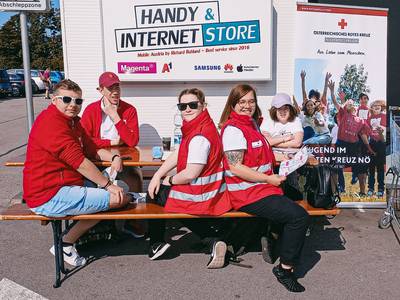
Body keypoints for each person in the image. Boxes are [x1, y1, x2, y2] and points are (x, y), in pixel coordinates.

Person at [23, 79, 130, 267]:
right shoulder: (51, 123)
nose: (73, 105)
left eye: (78, 101)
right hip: (48, 194)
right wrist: (108, 185)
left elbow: (91, 149)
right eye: (67, 100)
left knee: (121, 187)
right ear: (53, 100)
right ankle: (65, 243)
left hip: (66, 185)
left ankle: (72, 239)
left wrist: (113, 157)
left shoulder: (72, 122)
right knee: (119, 198)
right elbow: (79, 162)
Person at [219, 84, 309, 293]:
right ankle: (284, 270)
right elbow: (236, 166)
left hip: (261, 187)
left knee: (297, 197)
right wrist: (268, 180)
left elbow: (260, 154)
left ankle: (271, 236)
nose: (247, 105)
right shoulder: (233, 129)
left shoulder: (251, 124)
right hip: (247, 193)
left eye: (251, 101)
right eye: (242, 102)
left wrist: (286, 158)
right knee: (299, 217)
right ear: (233, 104)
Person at [147, 88, 232, 267]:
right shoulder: (200, 126)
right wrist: (158, 174)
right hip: (211, 190)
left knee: (154, 194)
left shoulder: (199, 135)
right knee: (166, 192)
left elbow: (190, 173)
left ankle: (155, 244)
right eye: (182, 105)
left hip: (203, 194)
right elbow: (180, 153)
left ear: (203, 105)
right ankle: (212, 240)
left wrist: (167, 180)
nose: (187, 109)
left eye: (193, 105)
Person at [80, 71, 142, 193]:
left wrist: (115, 116)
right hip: (96, 158)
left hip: (123, 160)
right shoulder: (91, 110)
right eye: (110, 88)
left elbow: (132, 141)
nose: (115, 91)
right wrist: (112, 142)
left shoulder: (129, 109)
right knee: (89, 186)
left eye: (117, 86)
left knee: (136, 179)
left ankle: (135, 208)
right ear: (101, 90)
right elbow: (85, 141)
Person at [330, 81, 374, 197]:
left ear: (355, 108)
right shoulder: (343, 114)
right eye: (348, 103)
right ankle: (334, 192)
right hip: (341, 145)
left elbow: (367, 133)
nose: (351, 104)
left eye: (352, 103)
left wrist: (369, 145)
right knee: (335, 167)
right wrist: (331, 90)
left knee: (360, 168)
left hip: (354, 146)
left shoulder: (360, 120)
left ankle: (363, 192)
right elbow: (335, 102)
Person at [367, 100, 386, 197]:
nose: (377, 106)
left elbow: (385, 131)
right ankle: (370, 188)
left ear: (381, 107)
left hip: (381, 143)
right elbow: (366, 131)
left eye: (378, 105)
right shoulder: (369, 118)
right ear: (372, 108)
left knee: (380, 168)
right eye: (374, 106)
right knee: (371, 168)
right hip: (372, 143)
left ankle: (381, 189)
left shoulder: (384, 116)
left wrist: (381, 131)